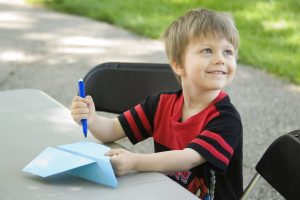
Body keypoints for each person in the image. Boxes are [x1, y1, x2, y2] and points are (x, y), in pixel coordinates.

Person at [70, 8, 243, 200]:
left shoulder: (226, 118)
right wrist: (91, 119)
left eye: (228, 51)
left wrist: (135, 162)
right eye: (208, 50)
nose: (220, 59)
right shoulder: (161, 104)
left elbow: (189, 158)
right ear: (178, 64)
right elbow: (112, 129)